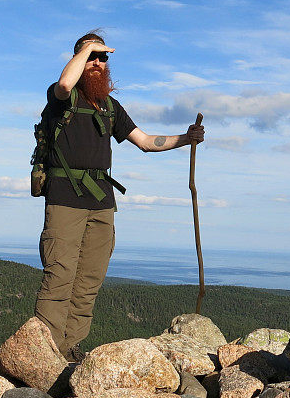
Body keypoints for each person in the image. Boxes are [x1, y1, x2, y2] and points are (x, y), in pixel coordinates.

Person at [34, 30, 204, 362]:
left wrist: (186, 138)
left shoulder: (110, 107)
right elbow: (66, 83)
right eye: (91, 56)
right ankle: (44, 353)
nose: (97, 62)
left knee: (88, 281)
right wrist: (87, 48)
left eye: (102, 58)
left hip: (101, 203)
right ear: (78, 59)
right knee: (59, 278)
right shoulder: (61, 99)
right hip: (65, 200)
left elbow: (144, 141)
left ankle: (68, 350)